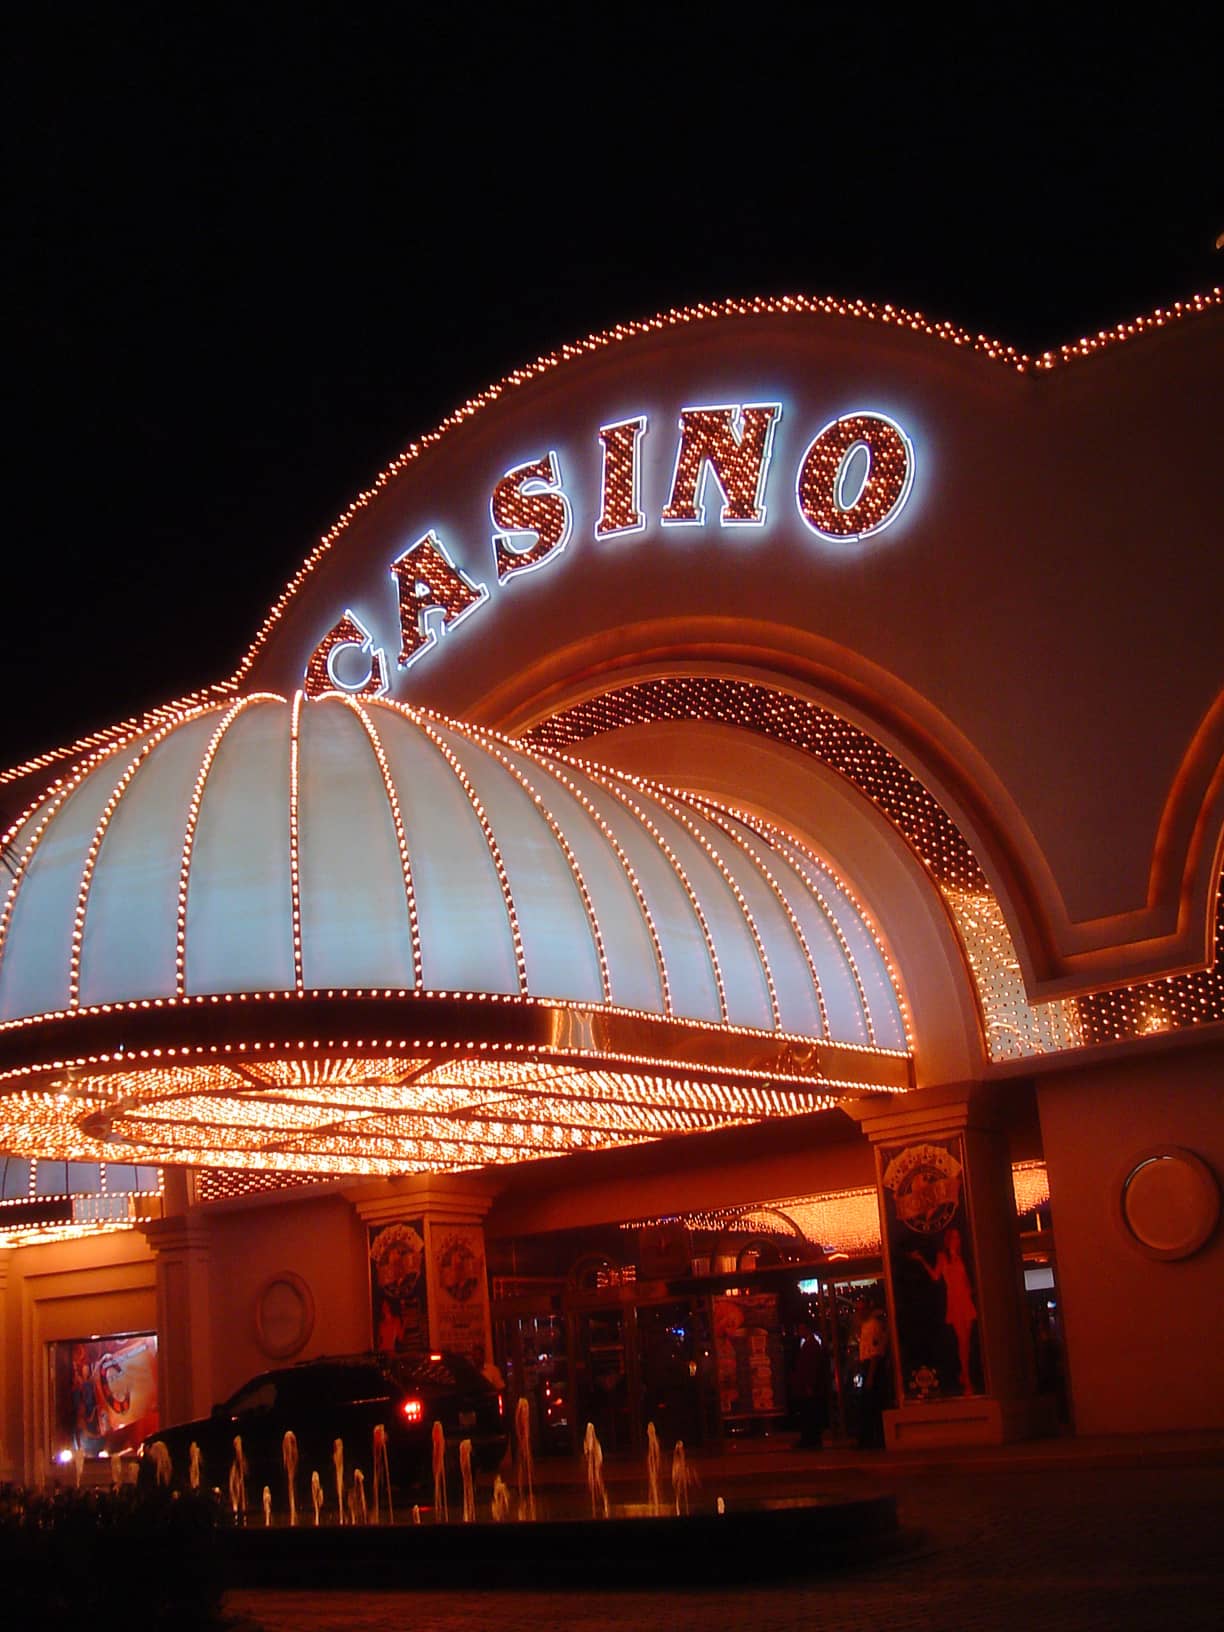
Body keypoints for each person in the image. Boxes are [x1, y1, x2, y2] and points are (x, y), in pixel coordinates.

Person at [910, 1226, 977, 1393]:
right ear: (948, 1241)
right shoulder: (943, 1257)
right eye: (954, 1237)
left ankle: (964, 1373)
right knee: (962, 1340)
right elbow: (935, 1276)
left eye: (958, 1238)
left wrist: (969, 1291)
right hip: (954, 1299)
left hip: (965, 1299)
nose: (957, 1240)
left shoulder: (961, 1257)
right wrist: (922, 1261)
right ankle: (966, 1378)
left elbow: (966, 1280)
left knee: (966, 1341)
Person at [855, 1300, 889, 1448]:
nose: (859, 1312)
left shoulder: (874, 1326)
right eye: (858, 1309)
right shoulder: (864, 1326)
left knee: (872, 1405)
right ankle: (868, 1439)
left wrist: (870, 1376)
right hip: (866, 1365)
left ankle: (875, 1440)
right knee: (866, 1405)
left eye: (862, 1309)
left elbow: (875, 1353)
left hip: (872, 1367)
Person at [790, 1319, 828, 1448]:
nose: (799, 1331)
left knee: (809, 1413)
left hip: (808, 1386)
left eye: (801, 1328)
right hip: (808, 1385)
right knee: (809, 1413)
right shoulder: (809, 1344)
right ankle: (810, 1439)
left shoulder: (811, 1346)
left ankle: (810, 1440)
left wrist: (809, 1385)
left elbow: (811, 1367)